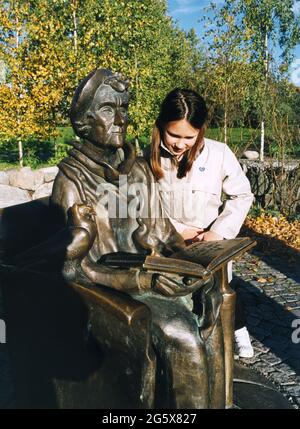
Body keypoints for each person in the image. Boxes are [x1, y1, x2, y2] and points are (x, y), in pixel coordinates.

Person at [50, 69, 227, 408]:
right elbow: (74, 269)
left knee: (212, 299)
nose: (120, 119)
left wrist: (200, 267)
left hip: (150, 276)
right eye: (106, 109)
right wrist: (143, 278)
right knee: (182, 335)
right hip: (109, 293)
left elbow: (164, 232)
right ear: (84, 121)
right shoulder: (71, 181)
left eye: (123, 107)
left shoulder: (139, 169)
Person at [145, 88, 254, 358]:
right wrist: (176, 231)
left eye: (189, 137)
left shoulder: (219, 154)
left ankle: (238, 331)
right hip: (169, 242)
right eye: (174, 135)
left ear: (201, 131)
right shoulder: (147, 157)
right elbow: (142, 203)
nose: (180, 144)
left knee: (221, 289)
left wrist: (218, 232)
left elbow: (242, 194)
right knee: (179, 295)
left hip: (211, 243)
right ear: (160, 126)